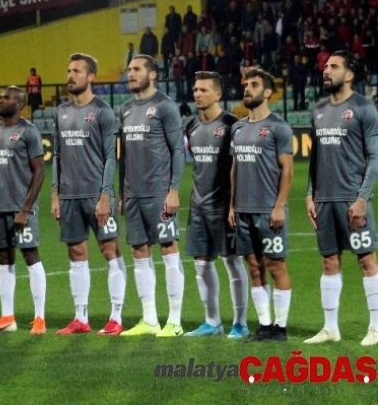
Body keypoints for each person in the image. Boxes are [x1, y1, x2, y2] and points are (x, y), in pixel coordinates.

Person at [304, 51, 378, 346]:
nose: (326, 70)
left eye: (333, 66)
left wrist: (362, 198)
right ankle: (330, 328)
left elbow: (374, 157)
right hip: (324, 200)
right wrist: (309, 194)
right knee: (329, 261)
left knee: (366, 260)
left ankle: (376, 327)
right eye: (325, 66)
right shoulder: (319, 109)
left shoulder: (364, 108)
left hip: (352, 199)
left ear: (349, 74)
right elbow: (315, 157)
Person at [51, 53, 127, 336]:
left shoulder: (103, 112)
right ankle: (80, 318)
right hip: (69, 196)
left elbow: (111, 157)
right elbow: (57, 156)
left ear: (91, 76)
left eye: (77, 71)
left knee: (110, 251)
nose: (70, 76)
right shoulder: (61, 112)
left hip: (96, 195)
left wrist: (106, 195)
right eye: (69, 71)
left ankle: (116, 316)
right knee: (76, 253)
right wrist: (55, 193)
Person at [117, 54, 185, 338]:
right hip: (133, 194)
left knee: (168, 249)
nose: (131, 73)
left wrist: (173, 189)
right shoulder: (124, 109)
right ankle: (149, 319)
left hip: (159, 193)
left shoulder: (165, 106)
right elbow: (123, 157)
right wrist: (122, 193)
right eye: (129, 69)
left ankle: (175, 321)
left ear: (153, 74)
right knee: (138, 251)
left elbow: (178, 150)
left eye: (137, 69)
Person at [182, 72, 250, 339]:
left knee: (232, 261)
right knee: (201, 263)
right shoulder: (191, 125)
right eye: (195, 89)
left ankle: (240, 323)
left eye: (203, 90)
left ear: (218, 94)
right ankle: (212, 322)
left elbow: (240, 167)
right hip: (198, 205)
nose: (197, 94)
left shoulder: (232, 125)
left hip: (224, 206)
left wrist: (235, 204)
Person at [228, 68, 293, 341]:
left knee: (276, 267)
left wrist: (279, 206)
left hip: (268, 210)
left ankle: (280, 327)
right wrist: (232, 206)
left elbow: (287, 170)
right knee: (254, 267)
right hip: (243, 210)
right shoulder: (237, 128)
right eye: (246, 84)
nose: (247, 88)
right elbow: (234, 168)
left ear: (267, 92)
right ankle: (265, 325)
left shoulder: (279, 127)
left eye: (254, 84)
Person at [0, 86, 47, 335]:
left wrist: (26, 209)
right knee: (4, 258)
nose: (0, 100)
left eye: (5, 98)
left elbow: (39, 172)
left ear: (19, 104)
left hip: (20, 208)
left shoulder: (29, 131)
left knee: (30, 256)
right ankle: (7, 318)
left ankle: (39, 318)